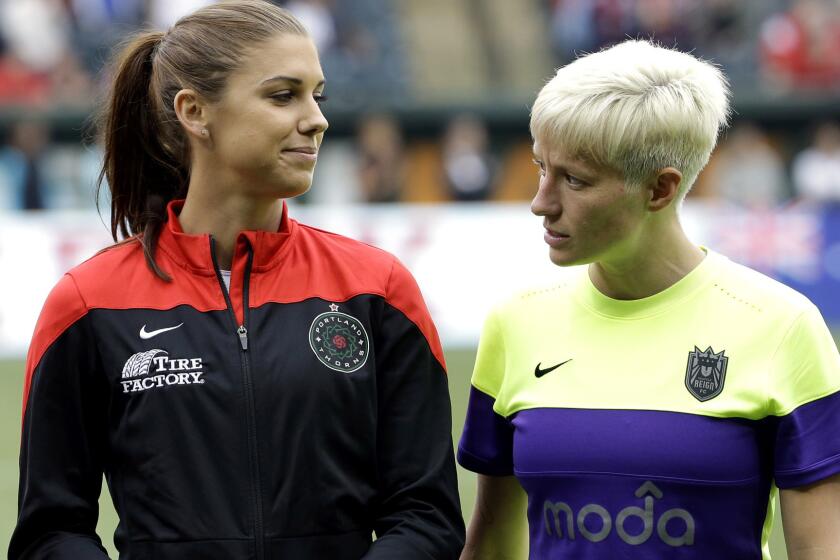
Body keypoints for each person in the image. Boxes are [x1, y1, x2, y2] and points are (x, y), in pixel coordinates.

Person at [9, 2, 464, 559]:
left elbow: (427, 517)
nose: (317, 118)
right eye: (283, 95)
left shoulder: (378, 290)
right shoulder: (87, 303)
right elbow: (51, 532)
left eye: (317, 95)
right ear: (195, 112)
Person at [457, 39, 840, 559]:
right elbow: (493, 547)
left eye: (574, 179)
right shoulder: (515, 322)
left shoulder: (783, 328)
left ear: (660, 189)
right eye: (541, 168)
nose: (540, 202)